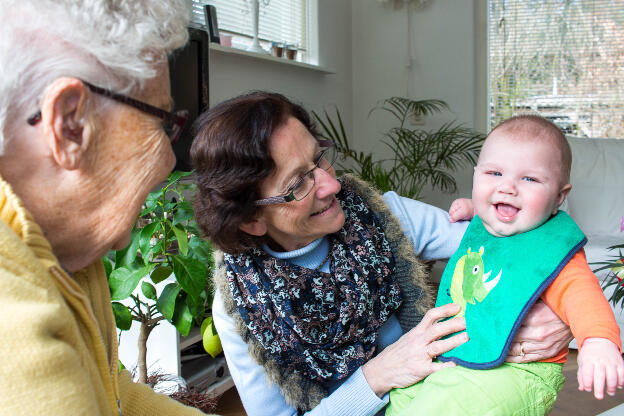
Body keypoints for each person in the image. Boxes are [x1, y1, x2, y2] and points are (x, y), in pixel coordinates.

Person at [190, 91, 575, 416]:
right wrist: (376, 377)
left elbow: (528, 254)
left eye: (319, 158)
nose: (331, 183)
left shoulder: (384, 216)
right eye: (298, 184)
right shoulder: (241, 309)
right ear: (252, 220)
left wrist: (555, 314)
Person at [0, 1, 213, 415]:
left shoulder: (69, 251)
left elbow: (117, 395)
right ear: (70, 124)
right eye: (165, 122)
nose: (171, 161)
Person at [386, 115, 624, 416]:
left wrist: (598, 341)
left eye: (530, 179)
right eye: (495, 173)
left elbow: (584, 297)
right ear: (476, 176)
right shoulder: (486, 225)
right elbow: (498, 225)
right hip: (458, 358)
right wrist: (476, 209)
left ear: (559, 198)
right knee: (401, 398)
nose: (507, 187)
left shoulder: (552, 251)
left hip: (519, 374)